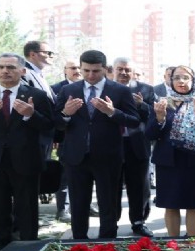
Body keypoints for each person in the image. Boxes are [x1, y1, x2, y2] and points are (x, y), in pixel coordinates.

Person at [0, 53, 53, 250]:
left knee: (27, 210)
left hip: (26, 161)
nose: (5, 71)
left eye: (11, 67)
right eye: (1, 67)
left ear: (22, 71)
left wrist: (31, 115)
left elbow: (50, 126)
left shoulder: (37, 96)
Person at [55, 50, 140, 239]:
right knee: (78, 203)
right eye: (86, 71)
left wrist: (112, 112)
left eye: (95, 71)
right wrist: (66, 114)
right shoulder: (68, 90)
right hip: (76, 157)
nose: (90, 75)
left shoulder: (120, 90)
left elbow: (134, 121)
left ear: (105, 69)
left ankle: (107, 244)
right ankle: (78, 243)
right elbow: (56, 124)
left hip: (108, 156)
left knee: (108, 203)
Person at [146, 65, 195, 237]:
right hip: (168, 161)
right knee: (171, 204)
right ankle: (174, 244)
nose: (181, 81)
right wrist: (160, 118)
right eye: (177, 77)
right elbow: (150, 134)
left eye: (186, 77)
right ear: (170, 81)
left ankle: (192, 243)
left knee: (194, 204)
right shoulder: (162, 102)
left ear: (193, 81)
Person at [113, 57, 155, 237]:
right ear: (113, 70)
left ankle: (139, 221)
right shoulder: (107, 88)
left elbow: (155, 116)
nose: (123, 73)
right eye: (120, 69)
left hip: (137, 144)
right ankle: (111, 222)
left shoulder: (146, 89)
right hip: (112, 144)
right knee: (111, 185)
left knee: (139, 186)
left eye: (127, 70)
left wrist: (142, 105)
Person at [22, 41, 57, 205]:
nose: (51, 56)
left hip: (45, 135)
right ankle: (19, 226)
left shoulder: (40, 75)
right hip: (32, 137)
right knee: (26, 185)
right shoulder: (25, 73)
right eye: (48, 53)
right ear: (33, 54)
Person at [50, 60, 83, 223]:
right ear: (65, 70)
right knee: (65, 177)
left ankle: (85, 205)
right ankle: (63, 209)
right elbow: (54, 115)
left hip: (85, 142)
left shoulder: (87, 86)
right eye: (73, 68)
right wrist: (55, 137)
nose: (77, 71)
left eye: (79, 68)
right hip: (65, 139)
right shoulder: (57, 88)